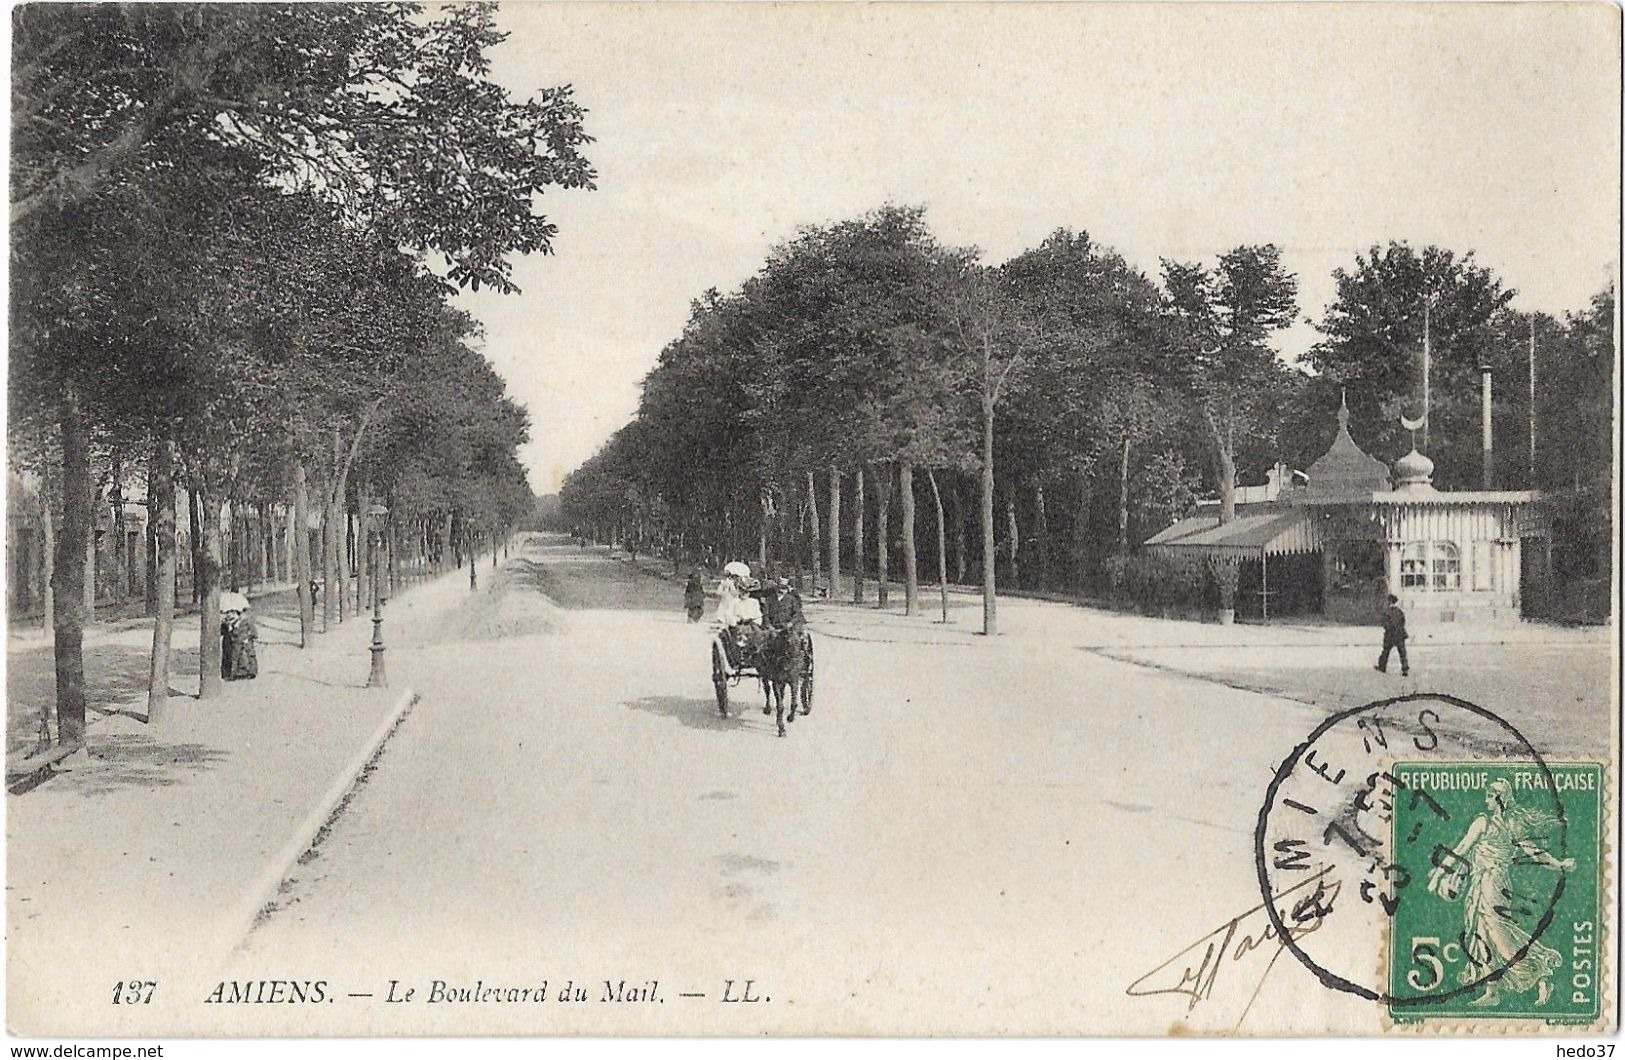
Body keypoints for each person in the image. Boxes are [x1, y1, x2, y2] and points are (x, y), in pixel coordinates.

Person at [1426, 778, 1572, 1006]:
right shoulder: (1488, 822)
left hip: (1494, 883)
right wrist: (1439, 874)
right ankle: (1491, 990)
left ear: (1499, 798)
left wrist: (1558, 864)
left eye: (1489, 795)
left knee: (1497, 933)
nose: (1485, 800)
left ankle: (1541, 970)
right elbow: (1462, 850)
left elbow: (1534, 852)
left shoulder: (1496, 824)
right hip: (1481, 882)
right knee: (1479, 932)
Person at [219, 594, 258, 681]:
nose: (229, 615)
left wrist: (248, 637)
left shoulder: (245, 622)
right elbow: (221, 632)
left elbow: (253, 632)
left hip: (243, 642)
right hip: (229, 642)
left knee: (246, 656)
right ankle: (229, 673)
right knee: (229, 656)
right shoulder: (226, 623)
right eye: (227, 613)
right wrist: (227, 627)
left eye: (232, 613)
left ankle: (249, 672)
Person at [1375, 593, 1409, 675]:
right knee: (1402, 653)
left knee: (1385, 651)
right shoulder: (1400, 612)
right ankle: (1405, 669)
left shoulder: (1386, 612)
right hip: (1400, 634)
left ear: (1389, 602)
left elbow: (1384, 623)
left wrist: (1388, 629)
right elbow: (1403, 622)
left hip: (1390, 634)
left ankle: (1382, 667)